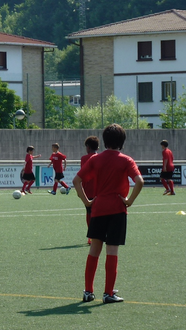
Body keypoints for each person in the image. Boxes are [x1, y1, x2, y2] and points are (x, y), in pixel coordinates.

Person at [73, 124, 143, 304]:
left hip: (98, 208)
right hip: (117, 210)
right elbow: (139, 181)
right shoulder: (126, 160)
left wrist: (87, 202)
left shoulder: (95, 160)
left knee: (94, 250)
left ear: (104, 141)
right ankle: (108, 293)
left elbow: (76, 180)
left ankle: (88, 291)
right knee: (112, 250)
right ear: (122, 142)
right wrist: (129, 201)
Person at [80, 136, 99, 245]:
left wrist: (80, 190)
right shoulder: (101, 157)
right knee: (100, 213)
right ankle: (100, 235)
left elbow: (82, 175)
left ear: (88, 147)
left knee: (89, 213)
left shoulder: (84, 158)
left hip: (88, 190)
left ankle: (91, 236)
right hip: (100, 190)